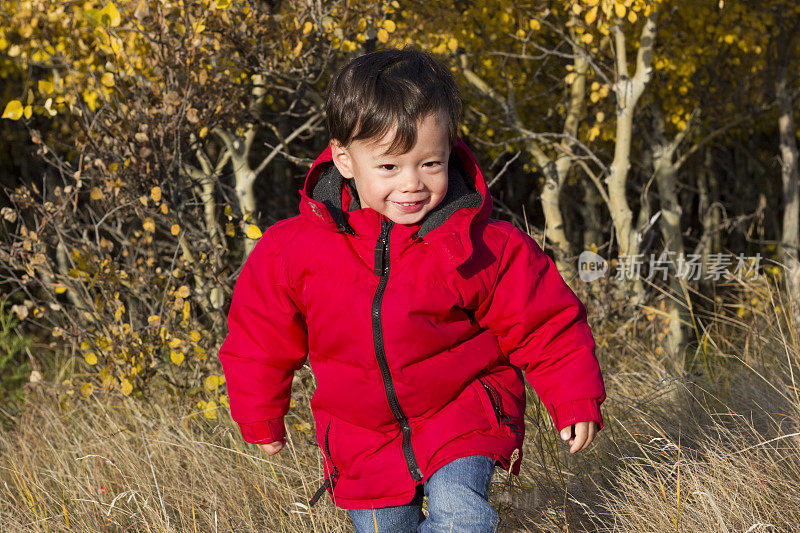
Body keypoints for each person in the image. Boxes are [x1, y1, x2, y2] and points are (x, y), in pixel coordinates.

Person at [218, 47, 606, 532]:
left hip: (462, 413)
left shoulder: (481, 244)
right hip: (362, 438)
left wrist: (572, 398)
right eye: (389, 168)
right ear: (344, 159)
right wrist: (260, 414)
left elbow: (545, 321)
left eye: (430, 164)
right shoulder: (293, 250)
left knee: (461, 516)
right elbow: (260, 338)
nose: (412, 184)